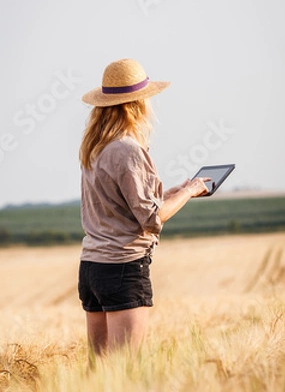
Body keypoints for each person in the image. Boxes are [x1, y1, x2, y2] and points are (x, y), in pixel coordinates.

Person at [78, 58, 209, 357]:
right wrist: (188, 191)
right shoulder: (128, 149)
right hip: (122, 268)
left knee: (98, 371)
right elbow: (151, 218)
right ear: (136, 105)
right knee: (126, 369)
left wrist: (171, 192)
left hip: (92, 268)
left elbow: (119, 205)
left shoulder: (95, 149)